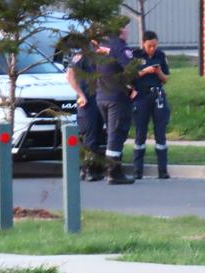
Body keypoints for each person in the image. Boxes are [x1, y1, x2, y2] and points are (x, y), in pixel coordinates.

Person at [95, 21, 136, 185]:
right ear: (120, 30)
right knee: (117, 133)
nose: (128, 30)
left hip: (101, 95)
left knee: (112, 132)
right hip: (117, 98)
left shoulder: (101, 46)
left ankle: (112, 169)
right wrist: (132, 86)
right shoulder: (119, 47)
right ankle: (113, 172)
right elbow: (130, 68)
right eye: (126, 27)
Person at [132, 30, 171, 179]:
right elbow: (130, 76)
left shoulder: (160, 56)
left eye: (154, 45)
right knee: (140, 132)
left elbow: (165, 79)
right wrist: (145, 71)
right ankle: (137, 170)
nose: (152, 49)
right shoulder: (135, 55)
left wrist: (158, 71)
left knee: (160, 132)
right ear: (143, 44)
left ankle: (163, 170)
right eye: (149, 46)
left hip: (157, 95)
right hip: (141, 96)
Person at [66, 43, 106, 182]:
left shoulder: (102, 53)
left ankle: (89, 168)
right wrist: (81, 95)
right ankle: (88, 169)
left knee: (97, 135)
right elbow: (70, 76)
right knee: (89, 135)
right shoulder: (82, 55)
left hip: (100, 99)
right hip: (87, 102)